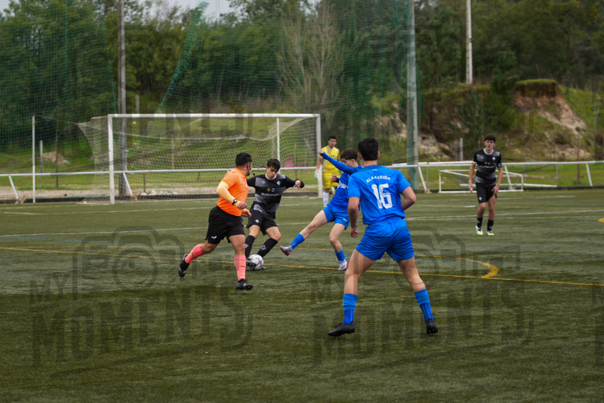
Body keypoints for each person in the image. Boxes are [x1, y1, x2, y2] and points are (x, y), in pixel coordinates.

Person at [328, 137, 437, 337]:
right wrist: (395, 211)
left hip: (378, 231)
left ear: (360, 156)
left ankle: (348, 322)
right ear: (378, 154)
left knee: (352, 273)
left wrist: (353, 226)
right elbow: (412, 197)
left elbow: (353, 206)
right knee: (413, 275)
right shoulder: (394, 173)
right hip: (400, 228)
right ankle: (429, 319)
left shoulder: (356, 177)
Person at [178, 153, 254, 290]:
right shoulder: (234, 174)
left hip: (235, 218)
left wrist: (242, 210)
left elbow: (236, 195)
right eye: (252, 165)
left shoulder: (242, 178)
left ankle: (241, 280)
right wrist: (236, 202)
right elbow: (220, 189)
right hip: (220, 217)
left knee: (240, 247)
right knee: (208, 248)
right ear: (249, 165)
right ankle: (186, 260)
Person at [280, 148, 361, 271]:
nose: (343, 164)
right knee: (312, 225)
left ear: (353, 161)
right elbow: (347, 183)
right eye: (343, 162)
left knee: (333, 238)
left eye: (345, 162)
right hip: (332, 206)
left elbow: (342, 167)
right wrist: (338, 180)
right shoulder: (347, 172)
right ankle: (290, 248)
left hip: (344, 212)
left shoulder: (358, 172)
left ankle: (343, 262)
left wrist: (326, 157)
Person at [244, 158, 304, 269]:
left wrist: (298, 181)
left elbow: (297, 183)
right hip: (257, 210)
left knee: (276, 236)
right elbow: (242, 183)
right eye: (271, 170)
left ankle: (256, 260)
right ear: (266, 168)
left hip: (269, 215)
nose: (273, 173)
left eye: (276, 171)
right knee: (254, 233)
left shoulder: (282, 180)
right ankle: (242, 261)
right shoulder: (258, 179)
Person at [468, 134, 504, 236]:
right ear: (484, 142)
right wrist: (470, 182)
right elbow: (472, 166)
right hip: (480, 183)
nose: (489, 144)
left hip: (492, 184)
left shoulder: (497, 155)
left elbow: (501, 170)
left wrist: (498, 185)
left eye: (491, 142)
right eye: (487, 142)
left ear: (494, 144)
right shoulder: (478, 154)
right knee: (483, 206)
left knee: (491, 207)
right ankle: (479, 225)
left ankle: (490, 229)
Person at [316, 136, 341, 207]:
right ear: (328, 141)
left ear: (336, 142)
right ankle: (325, 205)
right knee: (326, 188)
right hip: (326, 172)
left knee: (338, 188)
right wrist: (317, 171)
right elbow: (319, 161)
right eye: (331, 141)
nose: (333, 143)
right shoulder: (323, 150)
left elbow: (339, 161)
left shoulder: (337, 151)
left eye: (334, 141)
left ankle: (338, 204)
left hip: (335, 171)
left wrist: (343, 169)